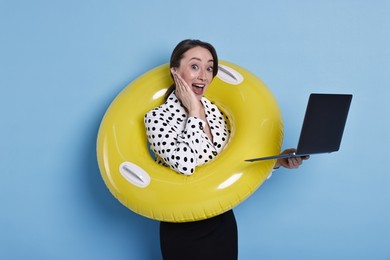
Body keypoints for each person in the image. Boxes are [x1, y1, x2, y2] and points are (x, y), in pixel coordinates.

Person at [144, 39, 308, 260]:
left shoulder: (216, 113)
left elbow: (230, 165)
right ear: (175, 71)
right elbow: (185, 165)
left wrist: (278, 161)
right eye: (194, 66)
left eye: (209, 68)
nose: (203, 75)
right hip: (183, 226)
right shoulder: (157, 118)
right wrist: (193, 111)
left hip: (222, 221)